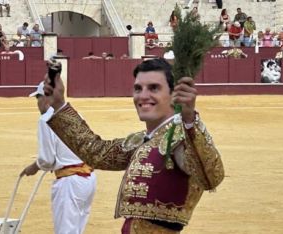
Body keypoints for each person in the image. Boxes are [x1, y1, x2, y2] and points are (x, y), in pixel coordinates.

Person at [42, 59, 224, 233]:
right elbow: (96, 152)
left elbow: (210, 177)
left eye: (154, 88)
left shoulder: (178, 139)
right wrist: (59, 104)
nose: (143, 96)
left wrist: (190, 121)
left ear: (173, 94)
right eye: (138, 88)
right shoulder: (141, 140)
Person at [21, 81, 97, 234]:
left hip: (69, 181)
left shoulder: (46, 120)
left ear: (47, 98)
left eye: (38, 98)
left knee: (65, 230)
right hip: (88, 178)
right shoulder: (74, 114)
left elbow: (47, 159)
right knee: (77, 228)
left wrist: (35, 166)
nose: (38, 103)